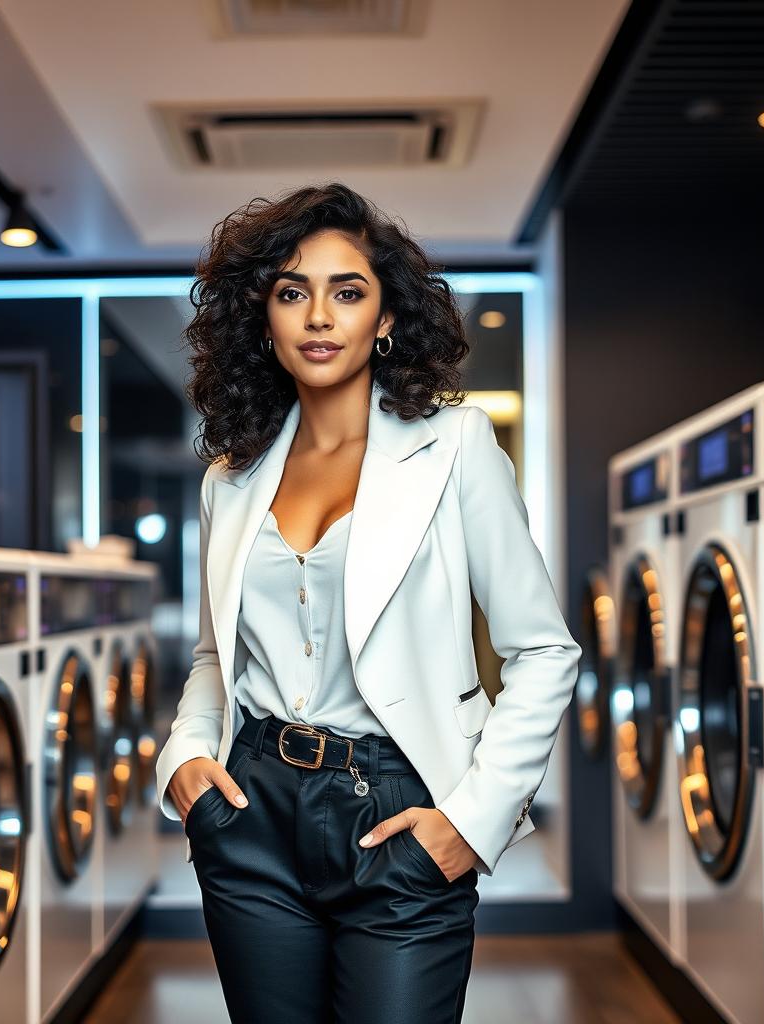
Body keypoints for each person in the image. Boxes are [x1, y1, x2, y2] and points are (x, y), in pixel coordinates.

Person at [155, 181, 581, 1024]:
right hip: (251, 811)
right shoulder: (229, 480)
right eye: (291, 292)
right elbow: (216, 657)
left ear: (385, 319)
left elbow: (543, 650)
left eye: (347, 292)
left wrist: (475, 818)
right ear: (263, 318)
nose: (319, 316)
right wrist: (184, 765)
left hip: (400, 805)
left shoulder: (456, 447)